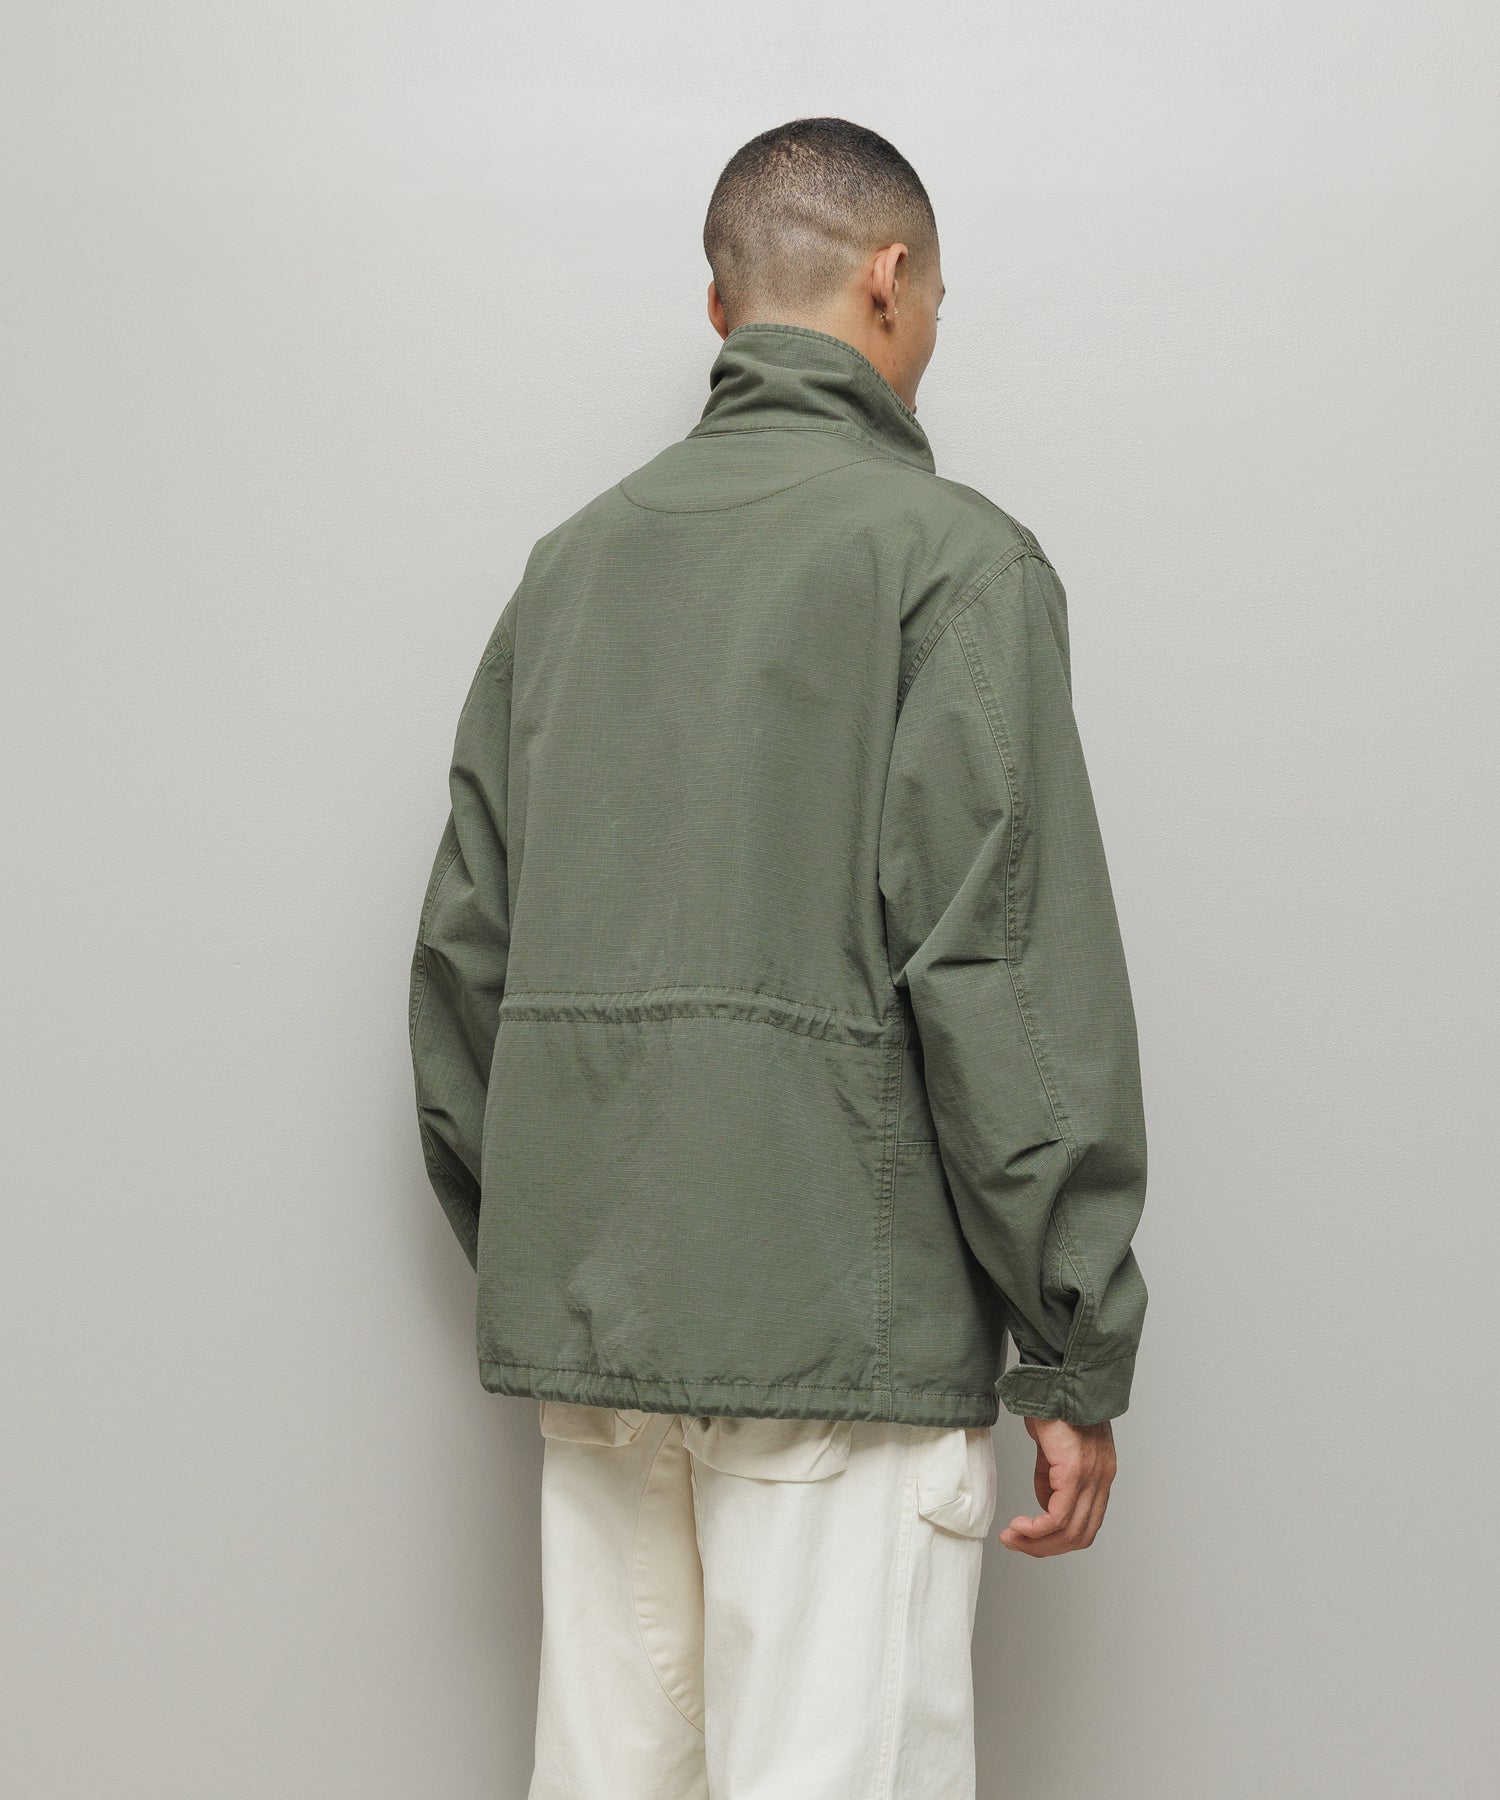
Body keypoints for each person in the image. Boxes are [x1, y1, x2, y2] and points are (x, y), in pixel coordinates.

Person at [408, 116, 1148, 1800]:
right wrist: (1072, 1339)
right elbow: (1004, 980)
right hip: (843, 1344)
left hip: (602, 1344)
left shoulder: (568, 573)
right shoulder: (954, 566)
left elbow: (464, 967)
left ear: (720, 306)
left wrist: (564, 1247)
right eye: (938, 295)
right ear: (890, 281)